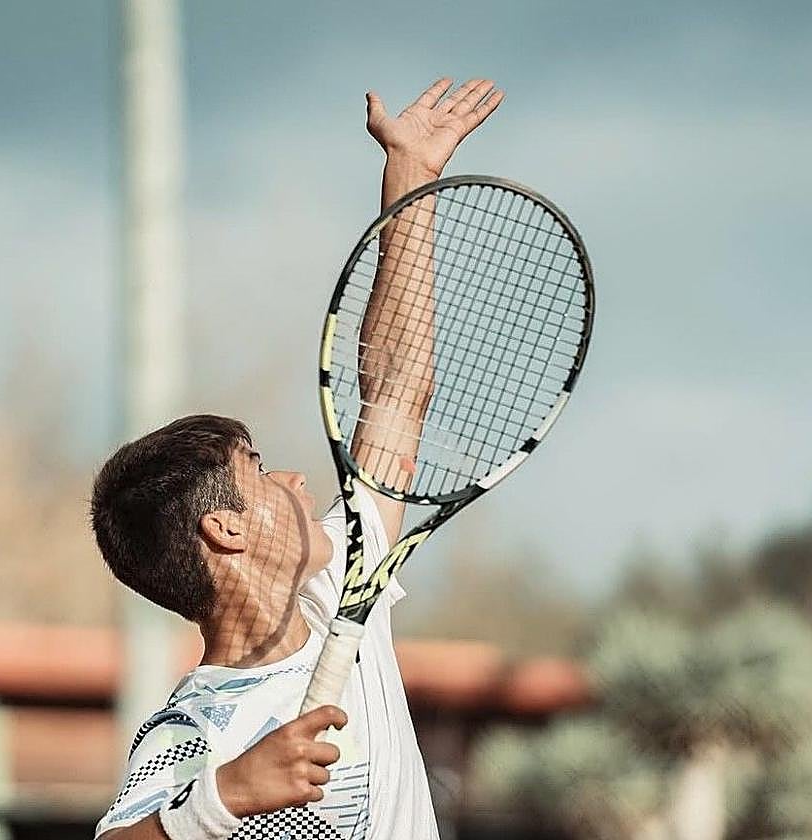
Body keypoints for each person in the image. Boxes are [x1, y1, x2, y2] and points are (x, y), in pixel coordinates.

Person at [91, 78, 503, 840]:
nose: (295, 479)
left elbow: (396, 395)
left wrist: (410, 175)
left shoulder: (338, 586)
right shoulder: (194, 728)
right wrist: (225, 794)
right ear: (226, 529)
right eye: (261, 467)